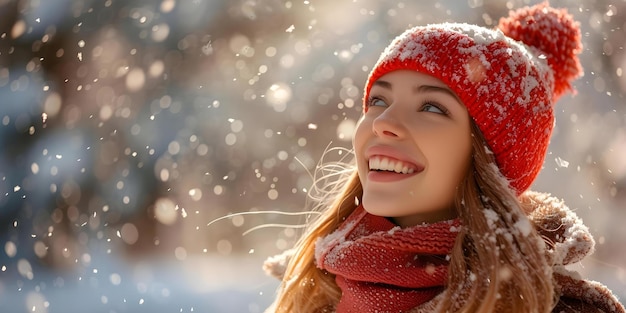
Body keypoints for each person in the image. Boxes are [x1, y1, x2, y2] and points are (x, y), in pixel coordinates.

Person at [262, 3, 626, 312]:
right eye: (378, 100)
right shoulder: (311, 290)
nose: (384, 123)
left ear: (487, 157)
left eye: (431, 106)